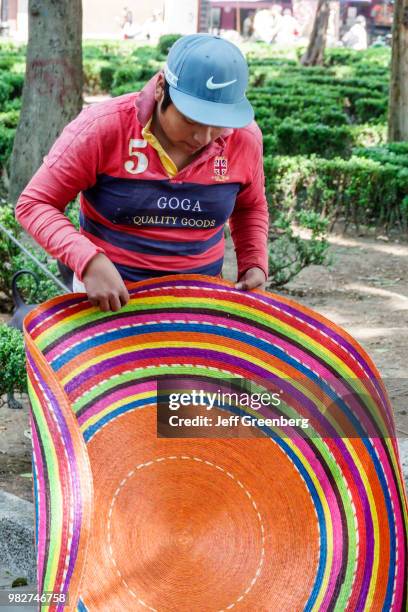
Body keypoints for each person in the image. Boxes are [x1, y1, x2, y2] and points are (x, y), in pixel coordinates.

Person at [15, 34, 269, 313]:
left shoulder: (244, 139)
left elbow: (250, 206)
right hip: (110, 301)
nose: (204, 137)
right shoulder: (103, 127)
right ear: (161, 88)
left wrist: (254, 262)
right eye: (190, 120)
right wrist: (88, 261)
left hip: (199, 303)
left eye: (218, 124)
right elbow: (34, 204)